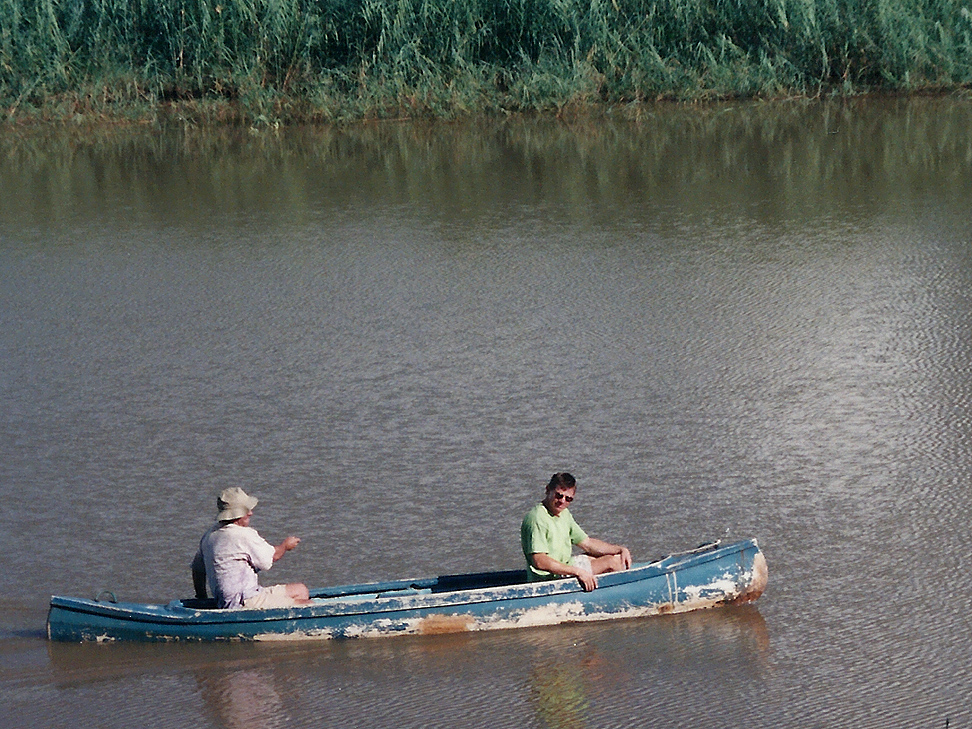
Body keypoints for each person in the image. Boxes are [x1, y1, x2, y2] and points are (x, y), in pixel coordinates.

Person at [191, 487, 312, 609]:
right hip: (245, 601)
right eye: (246, 511)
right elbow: (270, 559)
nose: (250, 513)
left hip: (232, 599)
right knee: (308, 606)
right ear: (237, 515)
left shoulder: (210, 535)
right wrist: (285, 546)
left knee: (301, 590)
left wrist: (201, 597)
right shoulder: (243, 535)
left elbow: (197, 569)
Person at [520, 472, 632, 592]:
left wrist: (620, 549)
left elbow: (587, 543)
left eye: (568, 499)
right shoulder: (537, 518)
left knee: (615, 556)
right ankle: (627, 596)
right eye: (559, 495)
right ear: (548, 490)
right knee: (612, 562)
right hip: (549, 578)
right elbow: (540, 561)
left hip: (566, 566)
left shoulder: (563, 513)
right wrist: (578, 572)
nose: (562, 501)